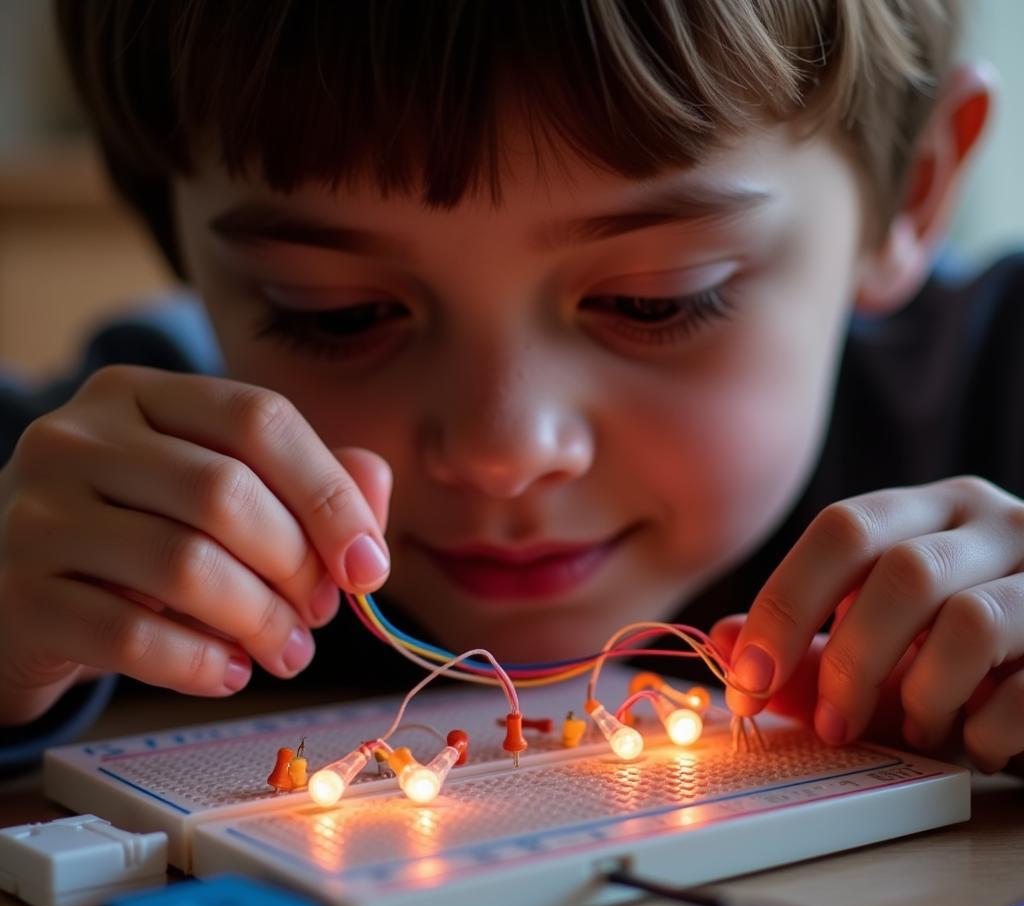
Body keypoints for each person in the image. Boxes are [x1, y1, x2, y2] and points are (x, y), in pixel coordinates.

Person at [2, 0, 1022, 778]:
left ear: (915, 186)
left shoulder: (1001, 386)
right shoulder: (118, 506)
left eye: (654, 301)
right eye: (336, 313)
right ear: (169, 230)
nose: (503, 446)